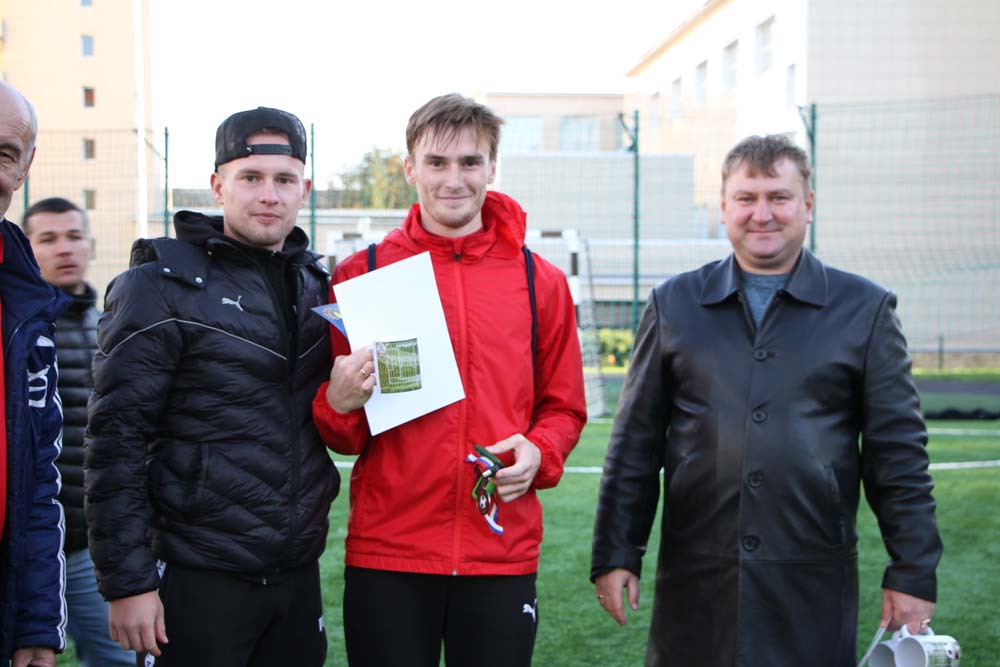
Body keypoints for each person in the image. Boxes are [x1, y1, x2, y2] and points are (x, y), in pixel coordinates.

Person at [591, 134, 943, 667]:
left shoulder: (864, 309)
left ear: (808, 204)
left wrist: (912, 569)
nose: (762, 214)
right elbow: (634, 443)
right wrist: (617, 551)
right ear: (724, 206)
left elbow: (898, 454)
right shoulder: (674, 304)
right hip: (697, 576)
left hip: (810, 576)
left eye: (778, 197)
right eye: (746, 198)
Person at [312, 93, 587, 667]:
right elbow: (346, 435)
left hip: (500, 551)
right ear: (410, 168)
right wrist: (337, 402)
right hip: (389, 554)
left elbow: (564, 408)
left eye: (469, 162)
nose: (453, 179)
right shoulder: (362, 274)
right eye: (437, 162)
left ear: (492, 168)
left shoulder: (540, 281)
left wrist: (540, 452)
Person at [84, 107, 340, 667]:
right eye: (250, 177)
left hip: (296, 575)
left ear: (304, 191)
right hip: (198, 574)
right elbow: (116, 439)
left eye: (285, 179)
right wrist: (128, 582)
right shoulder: (158, 286)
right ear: (218, 186)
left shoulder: (317, 286)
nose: (268, 194)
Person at [23, 198, 135, 666]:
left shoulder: (112, 326)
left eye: (73, 236)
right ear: (26, 250)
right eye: (47, 239)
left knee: (118, 658)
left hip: (90, 544)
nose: (64, 248)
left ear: (90, 245)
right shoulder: (16, 329)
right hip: (24, 546)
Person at [0, 82, 68, 667]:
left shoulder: (28, 307)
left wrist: (36, 624)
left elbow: (37, 483)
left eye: (3, 154)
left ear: (24, 168)